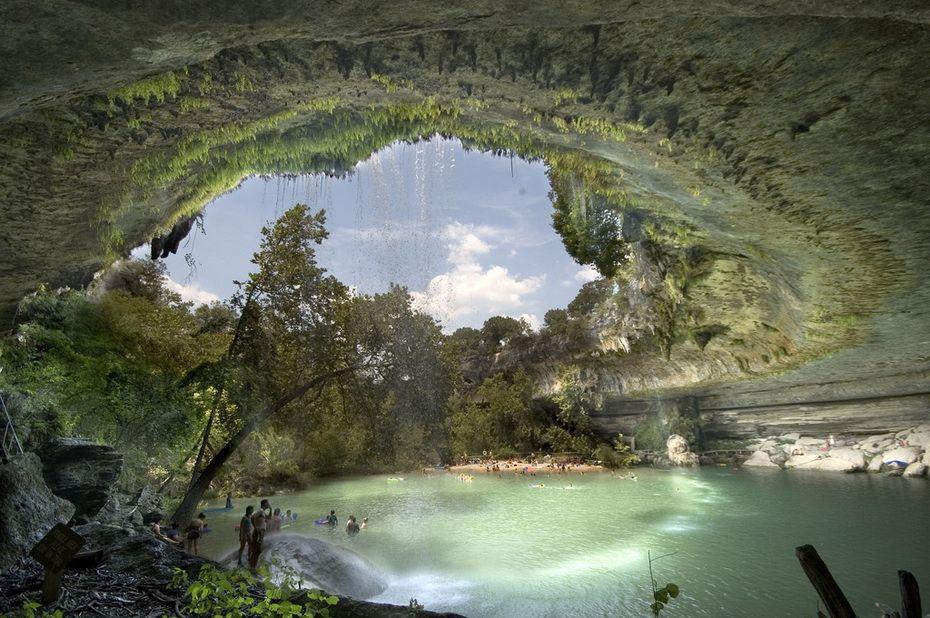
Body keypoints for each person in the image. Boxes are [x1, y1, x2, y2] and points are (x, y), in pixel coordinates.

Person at [249, 499, 271, 571]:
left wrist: (270, 509)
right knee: (257, 550)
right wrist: (256, 528)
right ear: (265, 504)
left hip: (261, 532)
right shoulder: (261, 511)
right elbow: (252, 517)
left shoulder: (263, 512)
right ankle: (252, 568)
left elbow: (269, 518)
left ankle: (252, 567)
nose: (269, 504)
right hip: (259, 531)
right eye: (268, 503)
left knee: (257, 550)